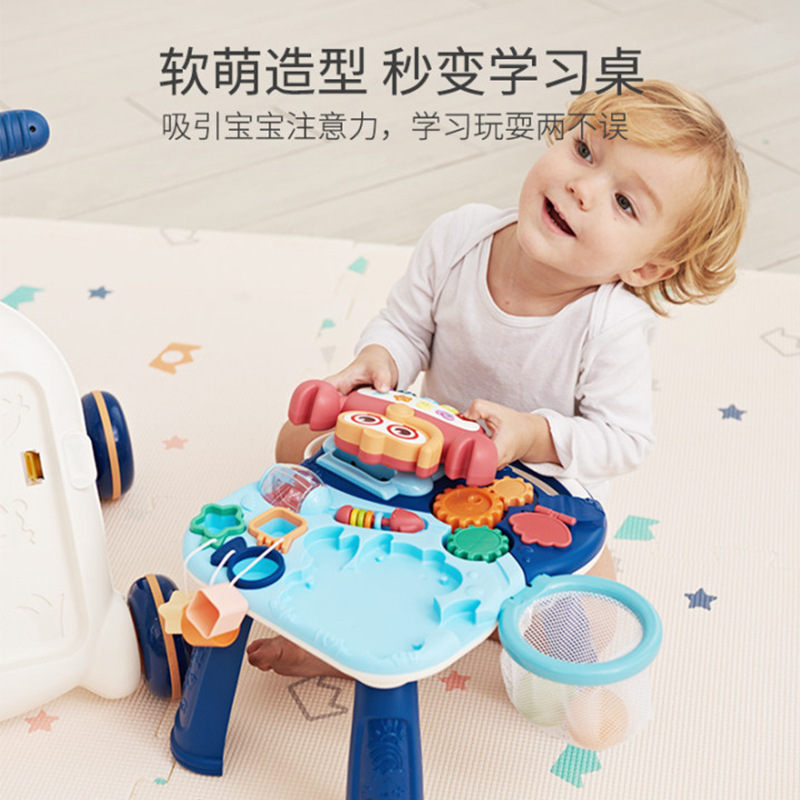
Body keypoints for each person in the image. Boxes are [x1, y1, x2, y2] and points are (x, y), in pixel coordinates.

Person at [247, 80, 748, 677]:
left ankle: (443, 615)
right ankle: (363, 614)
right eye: (584, 151)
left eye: (624, 202)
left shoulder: (613, 326)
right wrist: (379, 361)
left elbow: (624, 440)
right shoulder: (458, 237)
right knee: (294, 441)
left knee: (588, 627)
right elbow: (405, 326)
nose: (582, 187)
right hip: (422, 465)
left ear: (645, 267)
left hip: (531, 501)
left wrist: (532, 435)